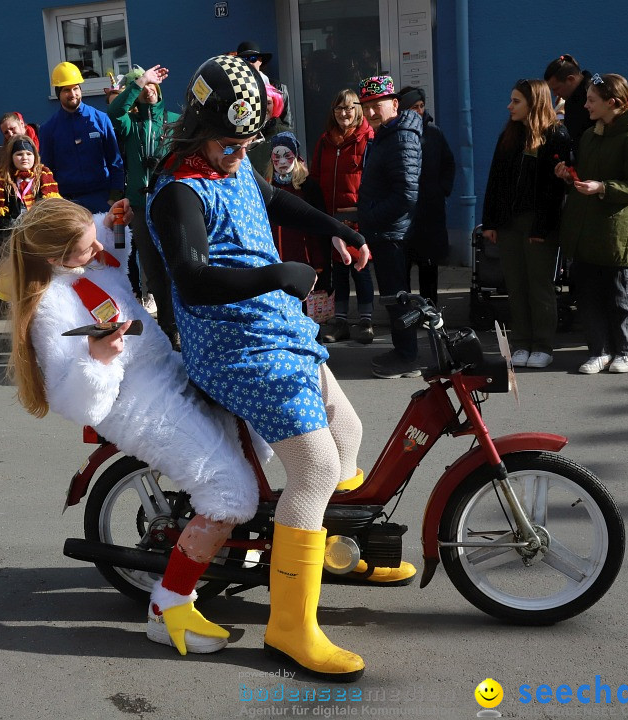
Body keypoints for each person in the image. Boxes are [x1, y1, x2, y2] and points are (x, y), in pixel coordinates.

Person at [148, 54, 410, 682]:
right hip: (232, 344)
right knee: (316, 465)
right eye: (230, 144)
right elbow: (191, 279)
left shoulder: (232, 166)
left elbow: (275, 200)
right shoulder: (177, 190)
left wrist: (335, 230)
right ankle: (290, 626)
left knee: (347, 434)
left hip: (275, 328)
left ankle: (339, 548)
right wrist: (277, 275)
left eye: (246, 145)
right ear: (199, 128)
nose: (241, 156)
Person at [1, 196, 263, 656]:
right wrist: (98, 361)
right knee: (230, 492)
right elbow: (72, 398)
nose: (99, 248)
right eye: (88, 246)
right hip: (137, 403)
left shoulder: (88, 264)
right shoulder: (51, 308)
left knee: (259, 425)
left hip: (167, 370)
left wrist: (112, 223)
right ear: (56, 258)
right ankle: (169, 607)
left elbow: (110, 257)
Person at [555, 73, 628, 375]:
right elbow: (585, 176)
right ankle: (599, 351)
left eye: (592, 100)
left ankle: (625, 349)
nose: (585, 106)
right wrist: (569, 176)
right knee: (586, 291)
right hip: (586, 226)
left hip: (615, 229)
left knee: (616, 290)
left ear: (613, 102)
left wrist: (603, 188)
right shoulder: (590, 135)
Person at [480, 79, 571, 369]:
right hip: (508, 224)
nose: (509, 106)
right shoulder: (508, 135)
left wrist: (542, 228)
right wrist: (490, 222)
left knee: (539, 286)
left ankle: (543, 345)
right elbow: (494, 181)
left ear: (534, 103)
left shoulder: (556, 135)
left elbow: (554, 192)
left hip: (537, 226)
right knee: (516, 286)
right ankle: (521, 343)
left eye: (516, 101)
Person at [355, 76, 423, 379]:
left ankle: (408, 357)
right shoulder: (388, 132)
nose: (370, 113)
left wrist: (370, 215)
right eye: (366, 107)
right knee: (395, 298)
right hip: (387, 230)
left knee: (399, 299)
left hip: (391, 232)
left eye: (376, 106)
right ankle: (403, 351)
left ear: (394, 103)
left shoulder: (401, 136)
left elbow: (406, 194)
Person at [106, 64, 180, 342]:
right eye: (142, 86)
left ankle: (183, 322)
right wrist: (136, 84)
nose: (147, 89)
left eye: (151, 85)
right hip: (139, 206)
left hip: (169, 205)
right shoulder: (131, 124)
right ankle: (168, 327)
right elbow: (113, 114)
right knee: (153, 270)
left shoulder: (174, 120)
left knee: (176, 266)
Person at [310, 89, 376, 345]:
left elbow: (371, 179)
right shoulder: (325, 141)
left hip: (356, 215)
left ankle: (366, 320)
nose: (344, 113)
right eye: (339, 108)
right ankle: (340, 320)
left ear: (358, 110)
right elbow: (315, 177)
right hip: (332, 217)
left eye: (349, 108)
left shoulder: (367, 139)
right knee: (338, 270)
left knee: (360, 269)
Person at [263, 131, 333, 332]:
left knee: (307, 315)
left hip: (306, 261)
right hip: (277, 262)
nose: (282, 161)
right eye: (277, 156)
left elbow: (320, 227)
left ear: (297, 157)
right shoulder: (267, 186)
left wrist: (321, 263)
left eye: (287, 155)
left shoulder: (308, 187)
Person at [39, 62, 124, 212]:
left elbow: (115, 160)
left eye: (76, 88)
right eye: (66, 90)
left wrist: (115, 196)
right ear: (58, 93)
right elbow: (46, 169)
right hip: (68, 202)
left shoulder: (100, 119)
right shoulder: (48, 128)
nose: (73, 94)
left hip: (102, 198)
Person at [399, 86, 455, 307]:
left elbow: (449, 163)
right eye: (414, 107)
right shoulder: (396, 134)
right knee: (402, 267)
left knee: (428, 267)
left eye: (421, 106)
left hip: (429, 211)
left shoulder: (434, 133)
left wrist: (442, 189)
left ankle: (429, 311)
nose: (419, 111)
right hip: (404, 213)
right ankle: (404, 311)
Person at [0, 135, 60, 237]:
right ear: (11, 157)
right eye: (19, 154)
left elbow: (53, 210)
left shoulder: (44, 177)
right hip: (13, 234)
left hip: (41, 233)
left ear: (35, 156)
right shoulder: (1, 181)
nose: (25, 158)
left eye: (29, 154)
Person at [544, 54, 594, 158]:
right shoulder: (573, 99)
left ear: (571, 79)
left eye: (556, 88)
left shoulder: (594, 97)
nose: (554, 94)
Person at [235, 40, 292, 127]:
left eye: (253, 59)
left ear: (260, 61)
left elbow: (286, 122)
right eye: (244, 60)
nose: (249, 63)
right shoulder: (233, 87)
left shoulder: (279, 87)